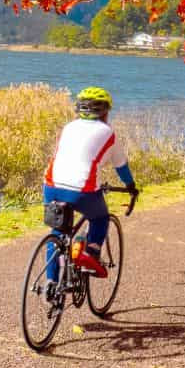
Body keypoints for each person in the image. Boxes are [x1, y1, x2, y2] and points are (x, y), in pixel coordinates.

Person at [43, 86, 139, 278]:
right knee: (100, 218)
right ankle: (91, 253)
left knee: (58, 231)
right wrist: (130, 186)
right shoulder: (107, 132)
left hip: (51, 185)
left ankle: (51, 284)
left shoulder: (68, 127)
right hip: (82, 191)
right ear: (104, 111)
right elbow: (121, 166)